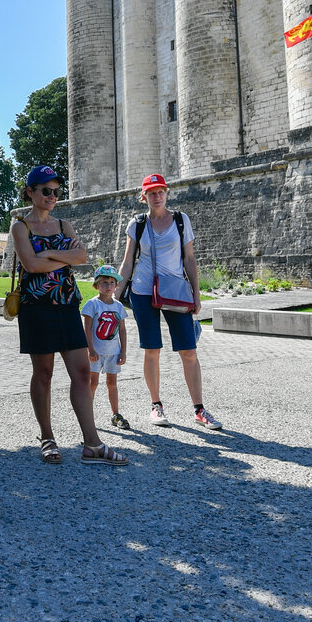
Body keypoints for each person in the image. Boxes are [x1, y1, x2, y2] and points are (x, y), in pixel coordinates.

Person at [11, 166, 126, 466]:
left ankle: (92, 444)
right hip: (36, 307)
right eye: (45, 190)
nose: (51, 196)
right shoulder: (20, 227)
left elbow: (82, 258)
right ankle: (47, 437)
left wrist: (47, 254)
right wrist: (61, 258)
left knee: (82, 372)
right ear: (30, 192)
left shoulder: (65, 225)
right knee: (44, 373)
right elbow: (30, 266)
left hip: (66, 305)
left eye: (56, 191)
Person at [116, 173, 220, 430]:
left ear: (167, 193)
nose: (157, 196)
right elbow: (128, 261)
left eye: (161, 191)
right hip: (143, 291)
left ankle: (199, 409)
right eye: (151, 192)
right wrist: (114, 297)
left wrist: (196, 294)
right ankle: (156, 405)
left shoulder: (181, 221)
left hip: (175, 291)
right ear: (144, 197)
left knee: (189, 351)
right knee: (152, 350)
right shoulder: (137, 224)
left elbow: (190, 259)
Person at [81, 265, 130, 429]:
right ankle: (88, 414)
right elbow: (87, 329)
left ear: (116, 285)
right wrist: (90, 349)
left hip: (113, 353)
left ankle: (116, 414)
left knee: (112, 383)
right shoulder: (92, 305)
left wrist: (123, 350)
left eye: (111, 282)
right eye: (104, 282)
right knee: (92, 383)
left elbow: (122, 329)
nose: (108, 286)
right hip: (96, 352)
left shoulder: (118, 306)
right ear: (96, 285)